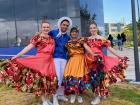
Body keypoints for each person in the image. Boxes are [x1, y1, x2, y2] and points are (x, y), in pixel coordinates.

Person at [0, 20, 58, 105]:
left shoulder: (52, 39)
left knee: (49, 81)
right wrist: (17, 56)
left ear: (50, 28)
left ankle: (47, 99)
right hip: (40, 62)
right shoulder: (38, 37)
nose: (46, 28)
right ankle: (44, 101)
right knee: (41, 81)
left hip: (49, 62)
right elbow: (28, 47)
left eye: (47, 27)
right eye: (44, 27)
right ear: (41, 28)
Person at [85, 22, 128, 105]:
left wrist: (119, 56)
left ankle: (98, 96)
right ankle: (102, 92)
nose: (92, 29)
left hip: (100, 61)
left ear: (97, 28)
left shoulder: (102, 38)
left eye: (94, 27)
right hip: (90, 61)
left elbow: (109, 48)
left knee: (99, 78)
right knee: (93, 78)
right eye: (91, 28)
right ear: (89, 30)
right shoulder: (87, 39)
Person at [62, 27, 95, 104]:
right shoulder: (68, 43)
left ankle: (79, 95)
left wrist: (93, 53)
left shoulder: (81, 40)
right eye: (73, 32)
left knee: (80, 78)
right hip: (72, 61)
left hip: (80, 60)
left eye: (76, 32)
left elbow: (86, 47)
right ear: (70, 33)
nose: (74, 33)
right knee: (71, 77)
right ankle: (73, 95)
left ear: (78, 33)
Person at [48, 17, 72, 105]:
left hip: (64, 59)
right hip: (55, 58)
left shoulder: (68, 37)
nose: (65, 26)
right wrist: (38, 34)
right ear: (60, 24)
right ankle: (54, 97)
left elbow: (70, 49)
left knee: (62, 77)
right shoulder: (53, 32)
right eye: (63, 24)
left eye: (67, 25)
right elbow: (45, 36)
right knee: (56, 77)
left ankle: (60, 94)